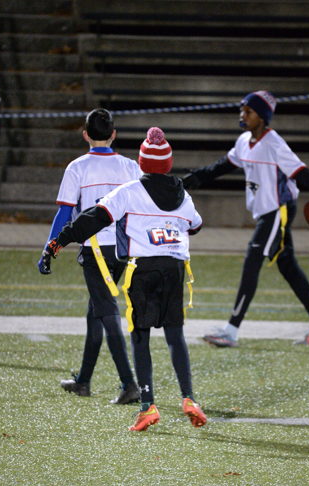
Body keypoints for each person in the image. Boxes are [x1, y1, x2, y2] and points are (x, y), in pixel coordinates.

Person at [42, 127, 207, 432]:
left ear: (142, 162)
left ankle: (148, 405)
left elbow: (94, 217)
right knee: (175, 335)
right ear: (168, 163)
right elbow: (196, 225)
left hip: (142, 268)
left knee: (140, 336)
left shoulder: (129, 191)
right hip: (174, 269)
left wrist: (59, 241)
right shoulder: (183, 194)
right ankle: (189, 397)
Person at [182, 90, 309, 347]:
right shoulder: (244, 141)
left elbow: (302, 174)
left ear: (262, 116)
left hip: (277, 210)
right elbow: (224, 165)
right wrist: (197, 177)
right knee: (288, 267)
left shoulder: (274, 144)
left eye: (249, 111)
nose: (242, 115)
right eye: (242, 110)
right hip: (265, 212)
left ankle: (231, 331)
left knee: (252, 260)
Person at [37, 108, 140, 403]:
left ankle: (129, 384)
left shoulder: (77, 167)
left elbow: (64, 214)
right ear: (114, 134)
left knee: (106, 312)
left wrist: (50, 248)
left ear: (85, 135)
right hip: (123, 249)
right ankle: (83, 381)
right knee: (96, 311)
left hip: (95, 250)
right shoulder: (131, 166)